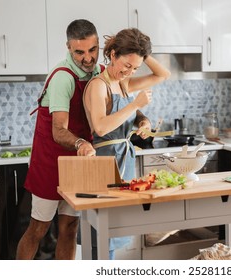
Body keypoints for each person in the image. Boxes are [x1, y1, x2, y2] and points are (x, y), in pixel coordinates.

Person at [16, 19, 102, 260]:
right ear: (68, 48)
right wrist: (81, 143)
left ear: (98, 44)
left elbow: (123, 95)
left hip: (76, 163)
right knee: (38, 229)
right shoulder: (62, 78)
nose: (87, 58)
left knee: (70, 229)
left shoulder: (99, 73)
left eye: (92, 50)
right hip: (50, 162)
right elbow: (58, 131)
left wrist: (140, 115)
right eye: (79, 52)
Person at [83, 28, 170, 259]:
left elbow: (163, 75)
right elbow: (100, 127)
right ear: (112, 55)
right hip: (104, 165)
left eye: (135, 68)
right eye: (126, 65)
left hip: (123, 160)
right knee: (102, 237)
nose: (129, 72)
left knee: (115, 232)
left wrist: (143, 50)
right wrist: (135, 105)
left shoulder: (122, 84)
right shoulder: (98, 85)